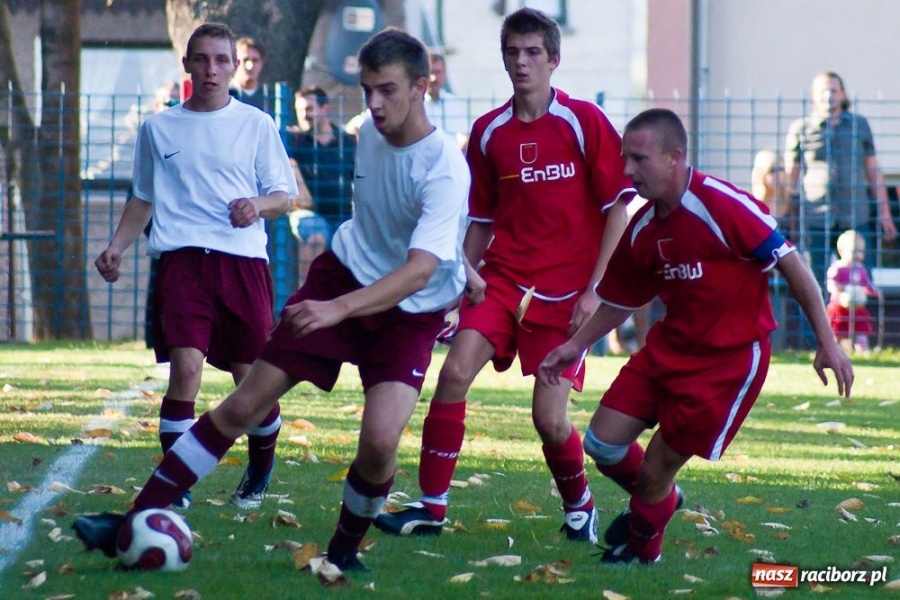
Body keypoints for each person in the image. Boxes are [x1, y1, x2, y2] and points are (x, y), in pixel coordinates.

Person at [74, 27, 470, 573]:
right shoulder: (372, 133)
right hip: (342, 276)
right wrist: (344, 297)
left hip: (407, 309)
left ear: (422, 87)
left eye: (388, 91)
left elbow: (420, 266)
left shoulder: (445, 166)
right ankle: (134, 517)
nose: (374, 104)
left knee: (379, 444)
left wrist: (342, 309)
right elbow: (393, 225)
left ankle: (343, 553)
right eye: (368, 89)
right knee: (243, 403)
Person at [538, 108, 854, 564]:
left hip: (726, 364)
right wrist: (574, 345)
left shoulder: (722, 204)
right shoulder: (644, 225)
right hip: (669, 349)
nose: (627, 170)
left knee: (654, 469)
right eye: (625, 158)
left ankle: (642, 553)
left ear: (674, 157)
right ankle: (661, 500)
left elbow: (793, 264)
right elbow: (621, 300)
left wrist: (826, 341)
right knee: (602, 443)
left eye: (638, 159)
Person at [374, 8, 635, 544]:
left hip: (565, 297)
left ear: (554, 60)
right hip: (501, 282)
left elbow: (617, 209)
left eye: (533, 52)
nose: (522, 61)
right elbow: (481, 220)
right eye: (513, 52)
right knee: (451, 377)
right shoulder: (489, 132)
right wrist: (458, 281)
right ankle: (431, 507)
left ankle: (579, 505)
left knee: (549, 420)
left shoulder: (583, 122)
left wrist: (595, 291)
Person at [92, 23, 296, 511]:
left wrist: (256, 204)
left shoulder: (256, 124)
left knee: (253, 382)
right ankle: (176, 487)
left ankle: (261, 468)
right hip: (182, 262)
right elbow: (143, 197)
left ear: (233, 66)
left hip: (242, 263)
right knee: (185, 370)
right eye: (201, 59)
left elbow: (285, 196)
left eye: (220, 60)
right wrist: (117, 246)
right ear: (186, 64)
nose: (210, 69)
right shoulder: (158, 127)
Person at [785, 71, 897, 286]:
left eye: (833, 90)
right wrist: (791, 216)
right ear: (814, 96)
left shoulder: (859, 125)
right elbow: (792, 174)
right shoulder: (801, 128)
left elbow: (873, 170)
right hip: (816, 218)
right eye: (822, 91)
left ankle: (858, 321)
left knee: (861, 280)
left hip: (855, 217)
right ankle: (817, 321)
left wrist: (885, 213)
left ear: (843, 94)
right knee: (813, 282)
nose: (828, 96)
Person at [287, 86, 357, 282]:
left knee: (354, 242)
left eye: (309, 109)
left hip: (344, 213)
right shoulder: (296, 142)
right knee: (315, 237)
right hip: (311, 212)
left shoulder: (347, 142)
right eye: (300, 110)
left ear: (325, 108)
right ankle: (307, 295)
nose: (304, 115)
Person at [826, 230, 881, 353]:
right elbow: (831, 284)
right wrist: (840, 290)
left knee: (860, 329)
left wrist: (872, 291)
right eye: (854, 251)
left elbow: (866, 283)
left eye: (861, 251)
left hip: (857, 306)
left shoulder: (861, 269)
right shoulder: (837, 268)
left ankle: (862, 351)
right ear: (841, 251)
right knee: (838, 331)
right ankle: (833, 351)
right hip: (840, 306)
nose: (858, 255)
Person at [425, 52, 470, 149]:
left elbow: (465, 134)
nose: (433, 78)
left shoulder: (453, 103)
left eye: (437, 72)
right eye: (430, 73)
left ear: (444, 74)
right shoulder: (416, 105)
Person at [229, 37, 270, 112]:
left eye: (255, 60)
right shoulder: (224, 94)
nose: (250, 66)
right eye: (245, 60)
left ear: (261, 64)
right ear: (235, 63)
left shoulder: (270, 97)